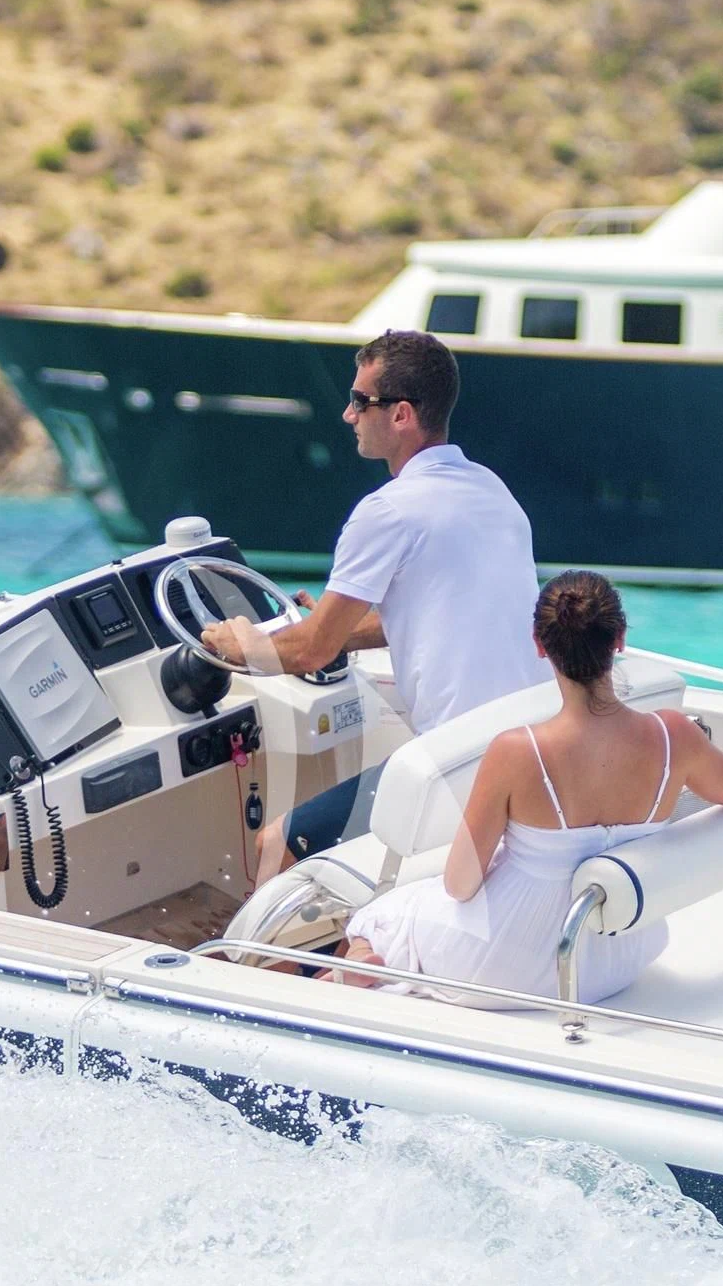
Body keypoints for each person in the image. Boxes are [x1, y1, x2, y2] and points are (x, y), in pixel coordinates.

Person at [342, 572, 723, 1003]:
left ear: (539, 646)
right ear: (619, 640)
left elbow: (460, 885)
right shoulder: (673, 736)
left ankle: (355, 974)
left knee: (382, 917)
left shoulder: (516, 751)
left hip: (512, 962)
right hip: (620, 951)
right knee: (403, 925)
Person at [200, 327, 544, 883]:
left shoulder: (387, 511)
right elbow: (427, 613)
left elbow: (311, 651)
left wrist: (238, 645)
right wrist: (338, 628)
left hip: (463, 763)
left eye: (360, 401)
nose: (347, 414)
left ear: (402, 414)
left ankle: (270, 970)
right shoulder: (490, 489)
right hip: (528, 739)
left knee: (274, 848)